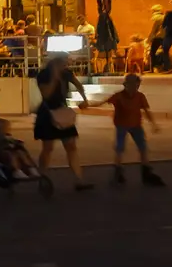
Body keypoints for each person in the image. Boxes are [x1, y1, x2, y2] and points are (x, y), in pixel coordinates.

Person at [34, 51, 92, 191]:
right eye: (63, 61)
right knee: (48, 148)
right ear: (54, 61)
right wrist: (54, 77)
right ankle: (42, 177)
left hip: (62, 110)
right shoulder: (43, 74)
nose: (66, 63)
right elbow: (46, 94)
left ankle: (79, 180)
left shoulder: (66, 73)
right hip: (48, 113)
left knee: (71, 146)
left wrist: (84, 99)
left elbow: (78, 84)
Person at [105, 72, 164, 186]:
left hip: (136, 125)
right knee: (120, 147)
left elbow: (146, 111)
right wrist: (88, 104)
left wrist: (153, 124)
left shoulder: (140, 96)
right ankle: (118, 170)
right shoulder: (119, 96)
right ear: (125, 85)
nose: (134, 89)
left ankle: (145, 170)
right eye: (131, 86)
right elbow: (103, 102)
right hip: (122, 124)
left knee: (143, 147)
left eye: (136, 86)